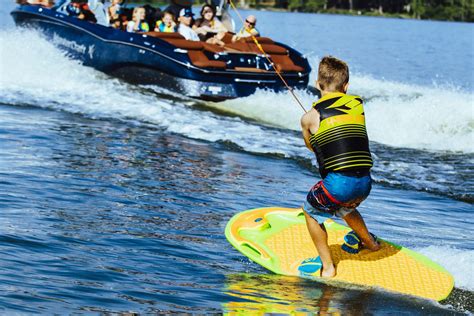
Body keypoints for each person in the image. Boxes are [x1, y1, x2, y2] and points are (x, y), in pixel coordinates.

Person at [300, 56, 380, 278]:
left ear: (317, 84)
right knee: (345, 206)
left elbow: (311, 147)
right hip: (365, 184)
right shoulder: (358, 106)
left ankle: (327, 267)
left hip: (338, 186)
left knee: (310, 211)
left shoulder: (309, 118)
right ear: (346, 86)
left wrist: (310, 124)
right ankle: (370, 243)